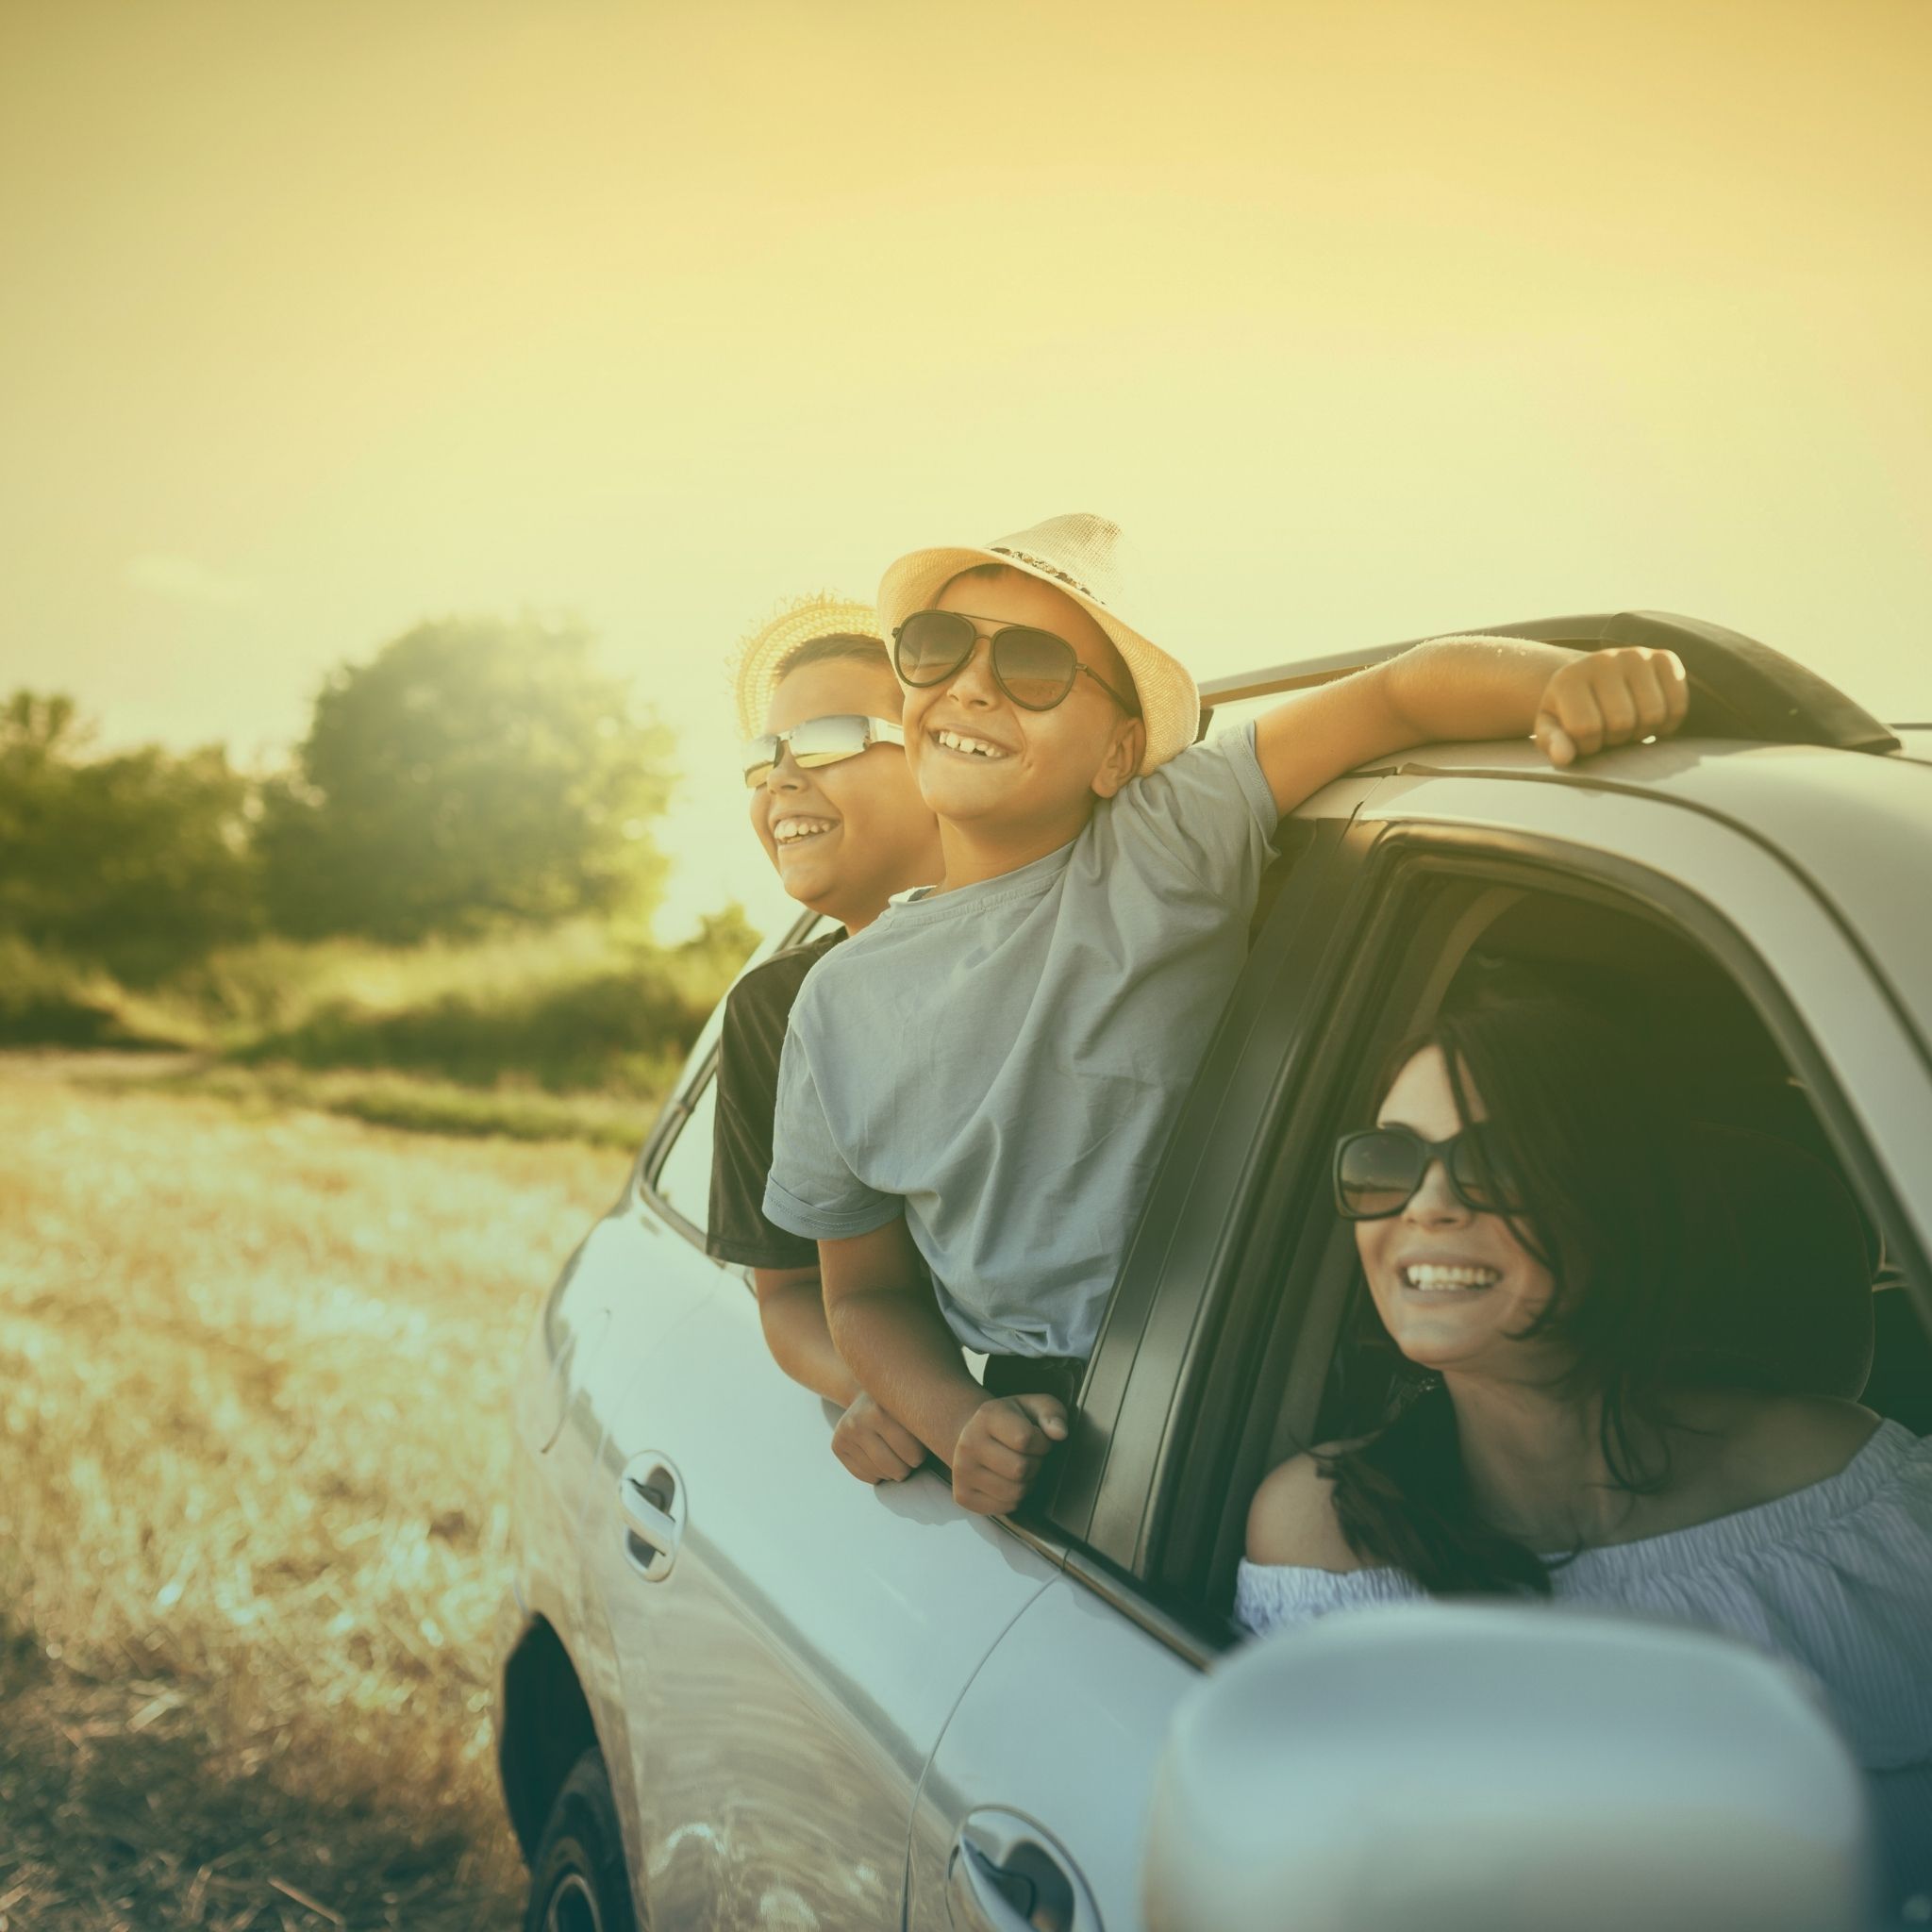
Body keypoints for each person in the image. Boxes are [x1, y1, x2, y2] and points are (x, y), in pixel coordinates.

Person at [762, 512, 1691, 1515]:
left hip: (1272, 1373)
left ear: (1119, 751)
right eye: (937, 650)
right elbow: (862, 1292)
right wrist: (954, 1420)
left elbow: (1392, 697)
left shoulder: (1168, 837)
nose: (973, 685)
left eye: (1033, 666)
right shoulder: (836, 1002)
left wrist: (1557, 682)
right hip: (1051, 1431)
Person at [1238, 988, 1932, 1893]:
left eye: (1496, 1162)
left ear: (1618, 1197)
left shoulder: (1856, 1496)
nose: (1428, 1203)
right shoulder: (1327, 1537)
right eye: (1387, 1162)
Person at [708, 595, 945, 1485]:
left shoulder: (1074, 950)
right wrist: (892, 1387)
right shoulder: (774, 1011)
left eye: (829, 739)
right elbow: (791, 1293)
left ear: (945, 757)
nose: (779, 781)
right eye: (763, 758)